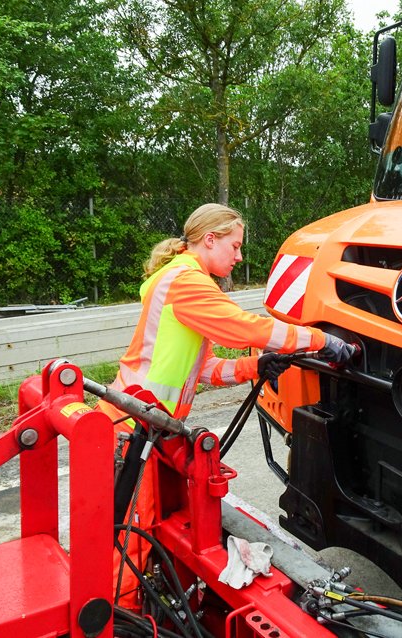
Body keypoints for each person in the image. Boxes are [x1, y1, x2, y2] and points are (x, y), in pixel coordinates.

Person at [97, 202, 355, 607]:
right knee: (129, 535)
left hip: (145, 424)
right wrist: (323, 342)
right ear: (209, 239)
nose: (238, 256)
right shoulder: (188, 282)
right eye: (234, 246)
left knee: (137, 527)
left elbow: (206, 369)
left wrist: (257, 365)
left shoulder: (177, 279)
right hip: (134, 425)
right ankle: (120, 619)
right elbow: (245, 327)